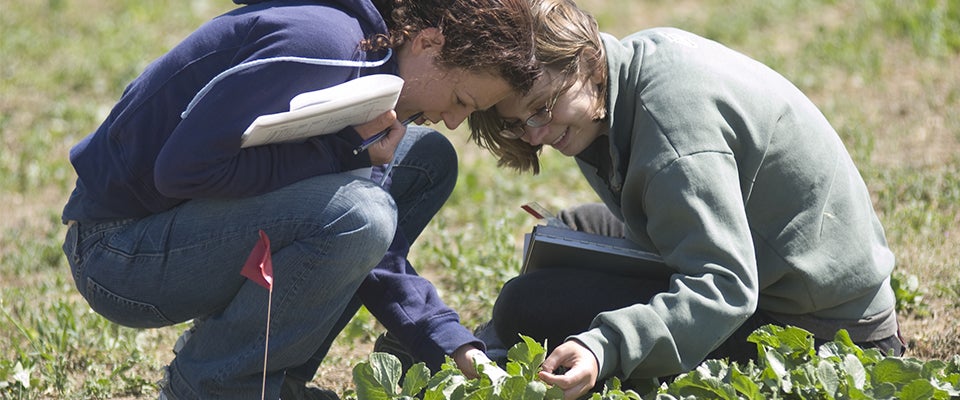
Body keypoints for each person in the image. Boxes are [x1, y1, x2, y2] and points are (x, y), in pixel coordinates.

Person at [60, 0, 538, 399]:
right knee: (361, 214)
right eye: (461, 99)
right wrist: (337, 150)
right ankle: (214, 385)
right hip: (117, 253)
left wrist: (451, 345)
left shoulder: (378, 71)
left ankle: (276, 378)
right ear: (428, 43)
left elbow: (375, 253)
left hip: (176, 226)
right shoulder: (325, 47)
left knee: (425, 161)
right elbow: (183, 169)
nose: (454, 120)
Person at [467, 0, 905, 398]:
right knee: (573, 228)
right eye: (519, 122)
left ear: (586, 61)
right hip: (770, 265)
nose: (537, 134)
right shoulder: (622, 73)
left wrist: (603, 347)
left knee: (524, 306)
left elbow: (726, 287)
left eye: (543, 108)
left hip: (824, 327)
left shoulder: (672, 137)